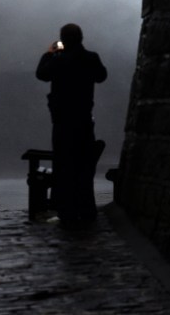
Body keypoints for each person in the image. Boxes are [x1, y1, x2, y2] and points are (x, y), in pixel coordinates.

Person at [36, 23, 107, 226]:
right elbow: (102, 76)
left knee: (64, 166)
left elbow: (41, 74)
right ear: (81, 38)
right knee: (85, 167)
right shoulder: (91, 58)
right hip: (84, 120)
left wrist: (50, 53)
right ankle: (87, 210)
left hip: (62, 122)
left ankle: (67, 212)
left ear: (63, 40)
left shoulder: (58, 60)